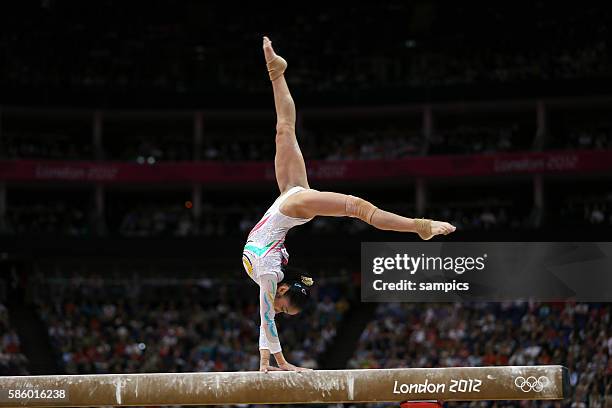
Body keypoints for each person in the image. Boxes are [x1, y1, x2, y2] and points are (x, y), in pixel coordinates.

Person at [242, 36, 456, 373]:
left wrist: (271, 361)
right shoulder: (271, 278)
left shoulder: (270, 279)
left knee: (286, 132)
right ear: (284, 289)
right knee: (352, 202)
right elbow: (266, 318)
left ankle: (275, 71)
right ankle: (419, 227)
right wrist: (275, 362)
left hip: (288, 205)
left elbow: (265, 317)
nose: (278, 309)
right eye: (285, 307)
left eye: (283, 309)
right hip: (291, 205)